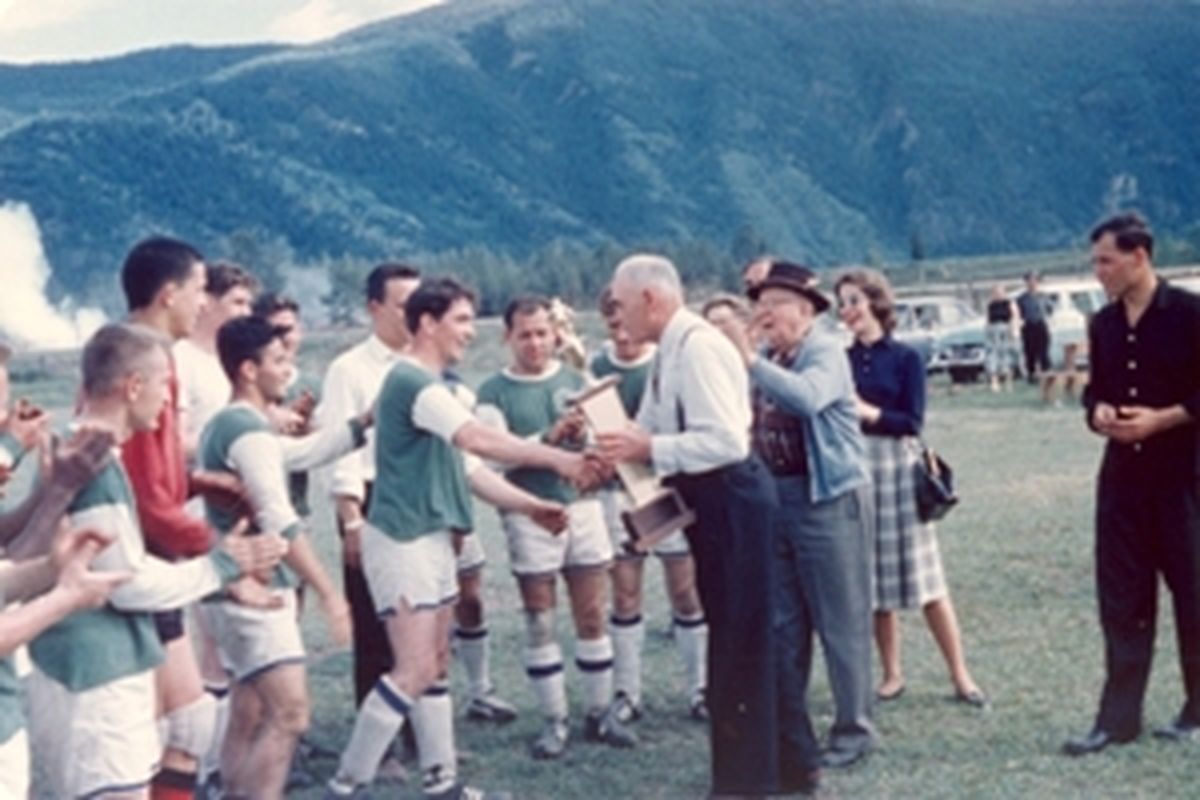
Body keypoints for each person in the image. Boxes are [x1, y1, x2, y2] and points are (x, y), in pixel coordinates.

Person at [326, 277, 588, 800]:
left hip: (431, 540)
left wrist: (533, 504)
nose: (472, 331)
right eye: (463, 319)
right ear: (427, 323)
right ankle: (345, 785)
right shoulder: (411, 382)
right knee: (415, 667)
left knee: (435, 665)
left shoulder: (436, 388)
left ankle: (441, 783)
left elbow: (469, 468)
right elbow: (478, 438)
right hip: (402, 541)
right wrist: (561, 458)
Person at [25, 322, 285, 799]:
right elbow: (127, 585)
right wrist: (222, 566)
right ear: (133, 387)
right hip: (95, 682)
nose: (168, 401)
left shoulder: (88, 450)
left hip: (93, 676)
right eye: (164, 385)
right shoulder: (95, 461)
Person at [595, 255, 785, 797]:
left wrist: (647, 447)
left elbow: (726, 440)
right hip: (713, 504)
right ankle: (789, 765)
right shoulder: (669, 351)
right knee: (738, 633)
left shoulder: (698, 347)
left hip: (736, 501)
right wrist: (610, 447)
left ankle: (748, 783)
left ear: (651, 299)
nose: (618, 316)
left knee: (739, 640)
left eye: (622, 305)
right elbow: (651, 426)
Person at [318, 264, 515, 742]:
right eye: (403, 304)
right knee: (374, 629)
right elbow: (343, 446)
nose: (412, 313)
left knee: (426, 633)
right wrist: (349, 518)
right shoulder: (350, 368)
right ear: (375, 309)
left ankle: (426, 743)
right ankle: (380, 750)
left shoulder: (435, 374)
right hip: (371, 501)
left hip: (424, 502)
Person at [723, 260, 877, 776]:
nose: (764, 314)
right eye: (760, 304)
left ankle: (854, 730)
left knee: (841, 619)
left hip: (828, 498)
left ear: (806, 311)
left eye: (775, 304)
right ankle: (793, 729)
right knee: (785, 622)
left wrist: (748, 360)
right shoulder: (767, 355)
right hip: (778, 498)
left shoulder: (826, 351)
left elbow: (808, 399)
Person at [476, 295, 637, 758]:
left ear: (556, 334)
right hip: (530, 513)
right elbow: (490, 457)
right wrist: (546, 440)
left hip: (583, 509)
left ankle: (599, 712)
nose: (534, 343)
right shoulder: (492, 392)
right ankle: (554, 720)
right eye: (524, 334)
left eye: (542, 333)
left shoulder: (575, 380)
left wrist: (589, 444)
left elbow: (607, 440)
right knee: (540, 618)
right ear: (507, 336)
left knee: (591, 613)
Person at [1064, 212, 1200, 755]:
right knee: (1121, 601)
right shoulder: (1102, 325)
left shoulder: (1191, 315)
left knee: (1193, 595)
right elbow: (1095, 389)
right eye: (1095, 261)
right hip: (1122, 484)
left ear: (1139, 256)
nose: (1098, 271)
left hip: (1184, 479)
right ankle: (1118, 718)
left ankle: (1197, 709)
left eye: (1106, 260)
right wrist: (1096, 408)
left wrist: (1163, 418)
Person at [121, 236, 247, 799]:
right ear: (169, 293)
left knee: (186, 719)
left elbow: (146, 469)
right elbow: (139, 492)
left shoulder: (147, 352)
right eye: (199, 290)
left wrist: (197, 480)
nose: (204, 303)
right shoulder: (141, 361)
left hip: (157, 551)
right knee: (166, 726)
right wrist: (217, 555)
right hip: (141, 560)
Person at [834, 269, 988, 709]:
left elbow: (912, 422)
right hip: (858, 468)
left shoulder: (906, 358)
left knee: (928, 581)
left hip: (898, 469)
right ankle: (891, 674)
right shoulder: (841, 360)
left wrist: (867, 412)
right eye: (842, 303)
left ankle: (961, 675)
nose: (847, 311)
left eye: (854, 301)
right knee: (874, 582)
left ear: (877, 304)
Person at [593, 287, 708, 724]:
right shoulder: (594, 367)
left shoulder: (664, 360)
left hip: (662, 490)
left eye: (626, 325)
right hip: (617, 494)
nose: (622, 336)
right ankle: (628, 692)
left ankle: (699, 688)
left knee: (685, 590)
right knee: (625, 592)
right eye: (612, 327)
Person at [1016, 271, 1052, 383]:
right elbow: (1019, 313)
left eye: (1034, 281)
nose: (1032, 283)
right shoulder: (1021, 298)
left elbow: (1050, 309)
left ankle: (1046, 374)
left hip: (1041, 324)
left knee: (1043, 351)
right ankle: (1031, 375)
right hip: (1028, 326)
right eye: (1029, 281)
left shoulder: (1044, 296)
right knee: (1029, 352)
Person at [984, 283, 1017, 393]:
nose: (998, 294)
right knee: (992, 356)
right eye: (995, 292)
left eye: (1000, 292)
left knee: (1006, 356)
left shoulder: (1009, 303)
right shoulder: (990, 305)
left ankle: (1009, 382)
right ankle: (994, 381)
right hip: (993, 331)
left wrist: (1013, 331)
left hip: (1005, 330)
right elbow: (988, 320)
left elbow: (1014, 317)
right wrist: (987, 331)